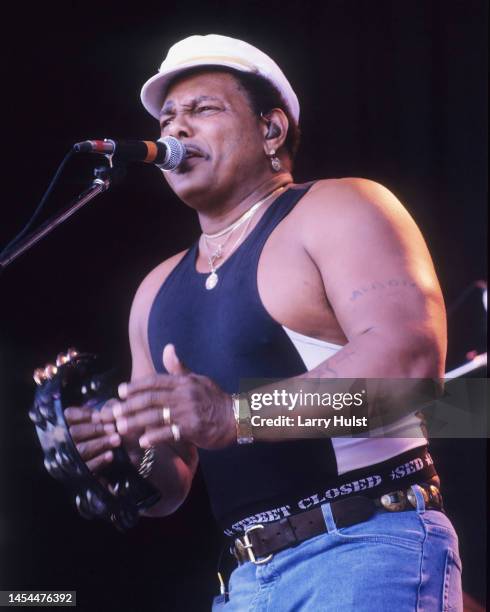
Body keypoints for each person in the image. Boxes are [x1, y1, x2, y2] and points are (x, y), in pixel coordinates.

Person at [65, 34, 463, 611]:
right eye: (169, 117)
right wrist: (118, 450)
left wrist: (235, 415)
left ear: (271, 131)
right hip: (245, 580)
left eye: (203, 110)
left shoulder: (340, 206)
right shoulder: (154, 290)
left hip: (364, 545)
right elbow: (169, 484)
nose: (174, 131)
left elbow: (410, 370)